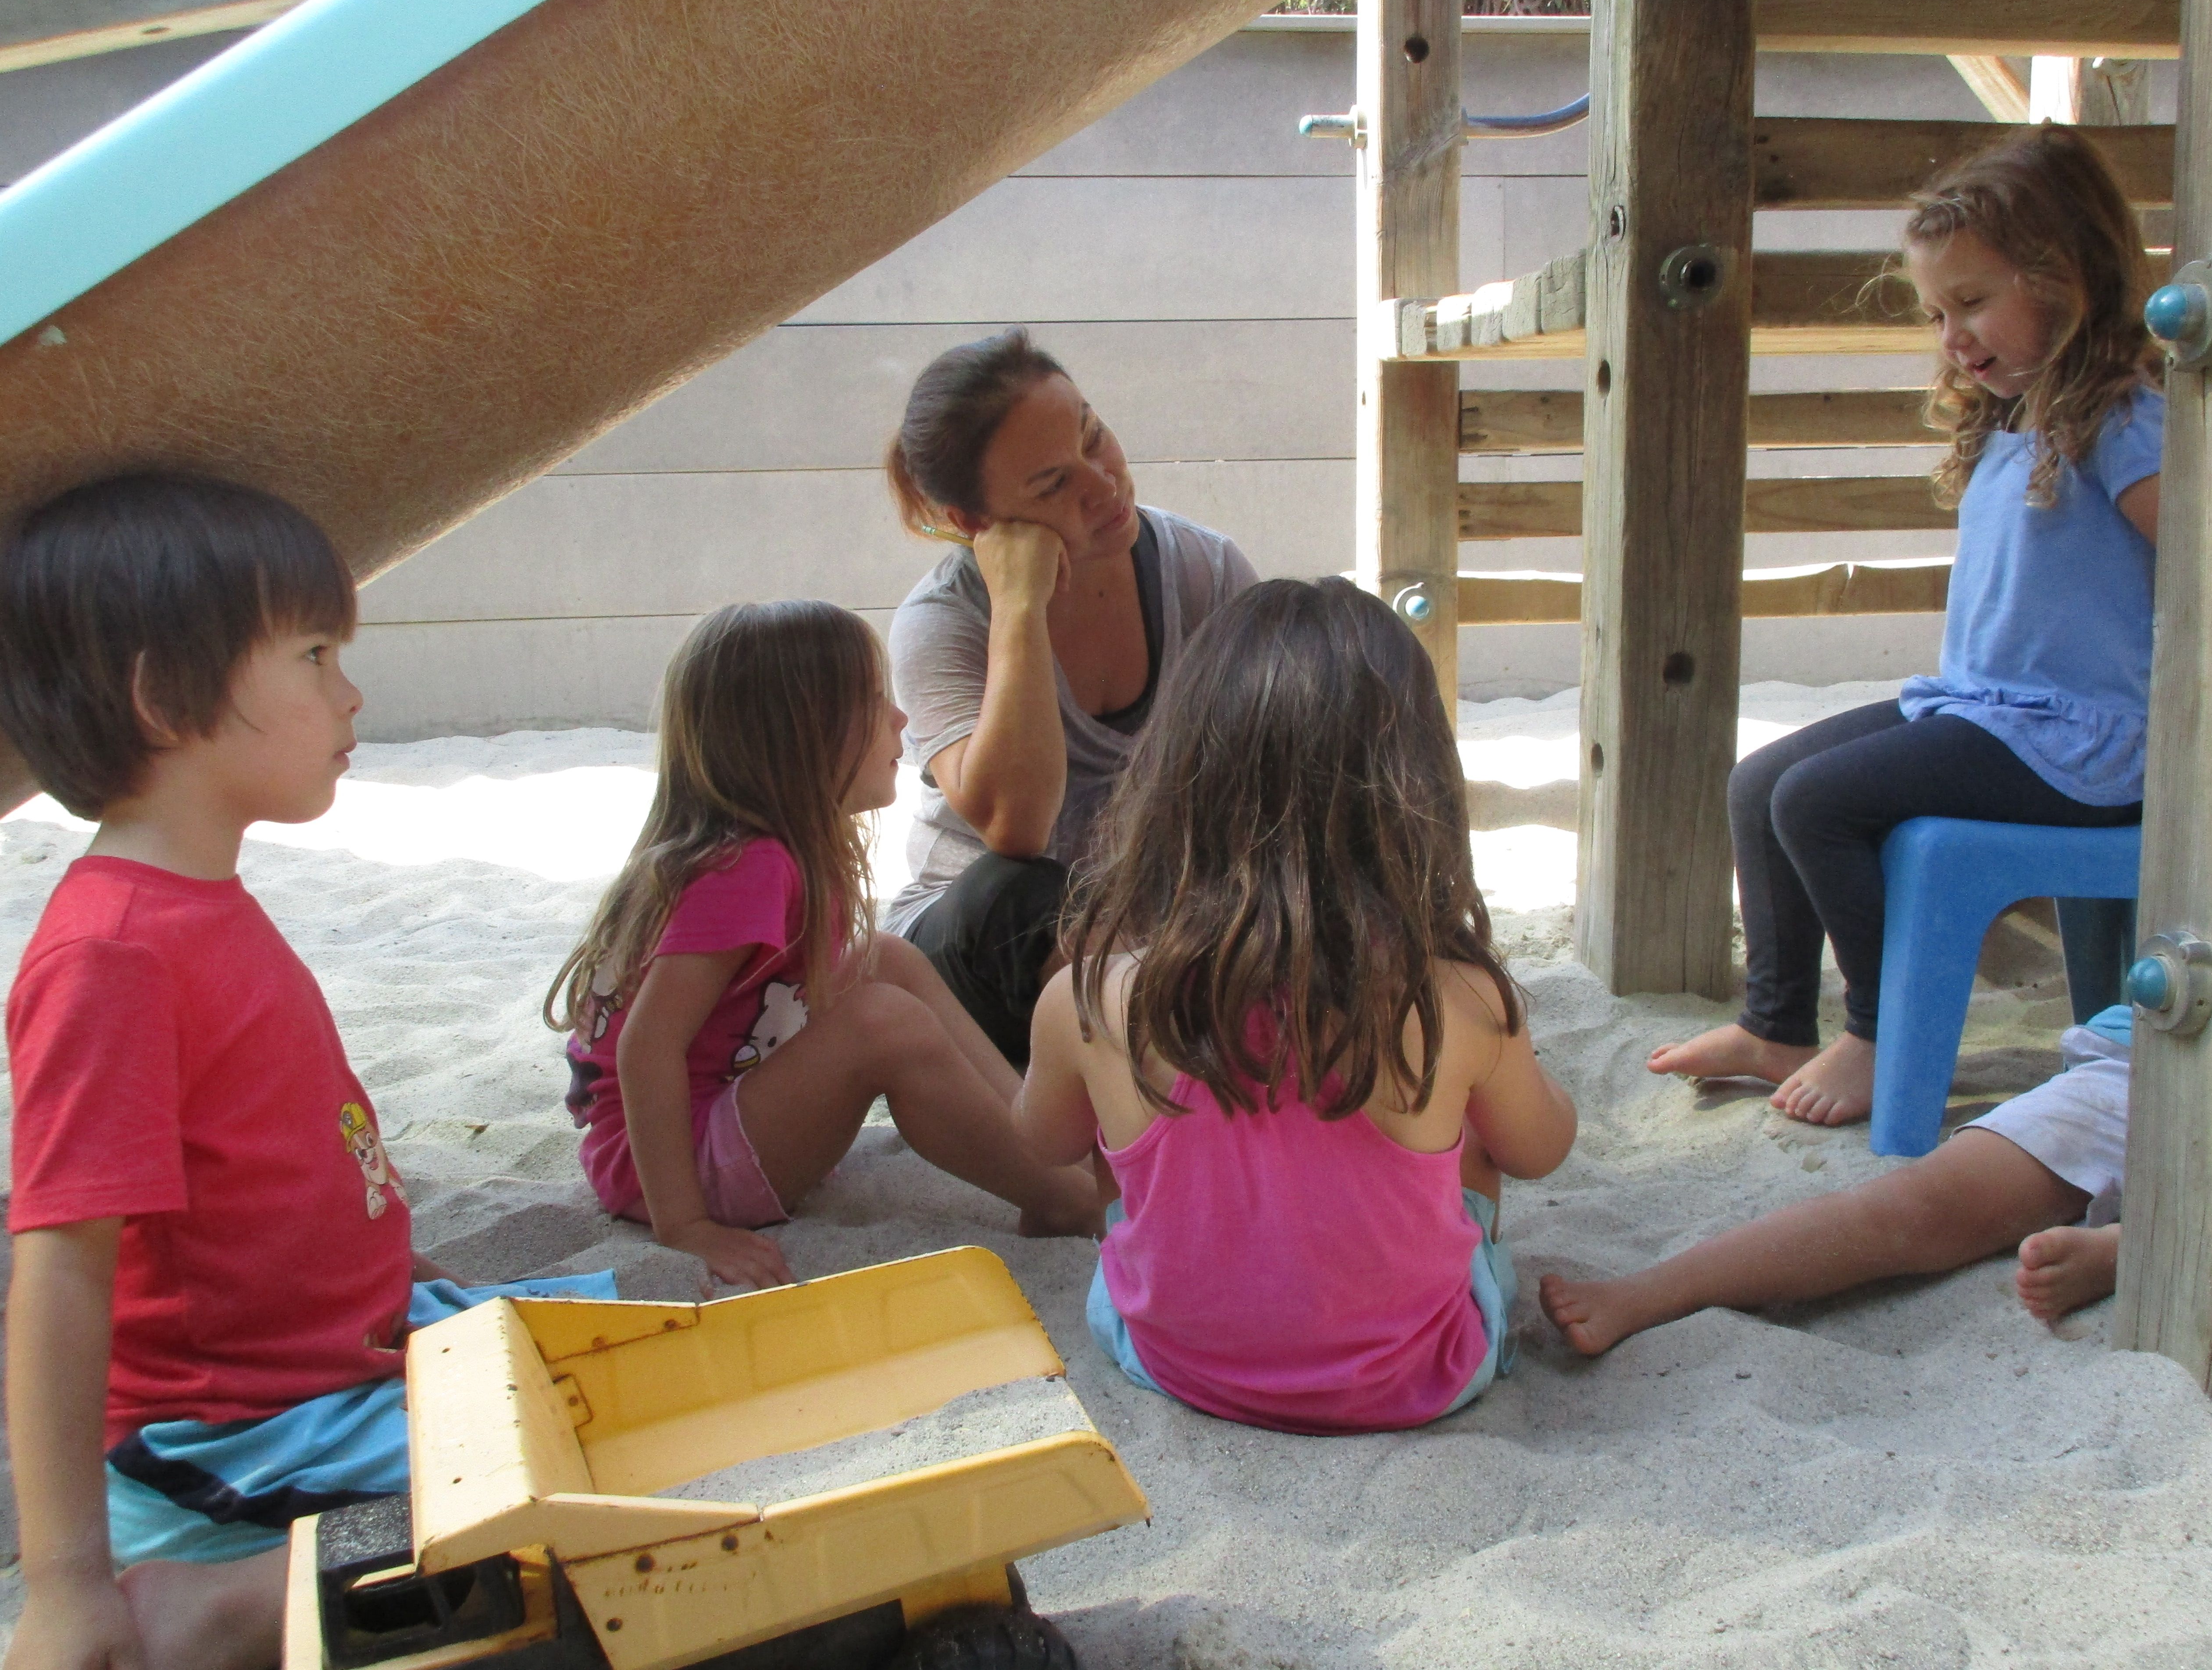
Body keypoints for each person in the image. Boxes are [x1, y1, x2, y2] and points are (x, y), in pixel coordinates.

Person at [0, 475, 608, 1670]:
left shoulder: (195, 898)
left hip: (341, 1353)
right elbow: (61, 1267)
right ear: (163, 697)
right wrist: (67, 1585)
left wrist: (397, 1273)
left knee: (626, 1372)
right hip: (240, 1430)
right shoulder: (111, 954)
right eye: (317, 656)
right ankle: (216, 1610)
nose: (351, 693)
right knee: (561, 1512)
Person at [1648, 124, 2164, 1128]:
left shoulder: (2122, 418)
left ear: (2068, 275)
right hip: (1986, 711)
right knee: (1758, 785)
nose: (1951, 337)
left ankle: (1880, 1034)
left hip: (2080, 743)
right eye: (1935, 314)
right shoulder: (2019, 415)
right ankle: (1775, 1022)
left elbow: (2204, 568)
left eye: (1971, 302)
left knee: (1818, 803)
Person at [1014, 579, 1578, 1434]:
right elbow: (1539, 1150)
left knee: (1114, 1135)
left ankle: (1201, 1296)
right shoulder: (1457, 997)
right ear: (1416, 790)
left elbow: (1040, 1141)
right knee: (1473, 1143)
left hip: (1173, 1362)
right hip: (1415, 1377)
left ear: (1176, 783)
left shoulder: (1092, 996)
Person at [547, 599, 1101, 1291]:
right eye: (872, 702)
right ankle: (1063, 1196)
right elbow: (647, 1046)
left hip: (704, 1125)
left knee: (885, 958)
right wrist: (686, 1227)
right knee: (881, 1024)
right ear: (798, 737)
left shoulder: (778, 853)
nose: (900, 718)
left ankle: (1040, 1138)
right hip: (669, 1170)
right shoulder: (746, 868)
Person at [880, 329, 1258, 1067]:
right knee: (1021, 894)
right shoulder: (942, 621)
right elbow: (1016, 828)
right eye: (1053, 485)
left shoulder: (1207, 572)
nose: (1103, 485)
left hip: (1155, 939)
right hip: (984, 964)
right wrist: (1019, 607)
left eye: (1094, 437)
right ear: (973, 523)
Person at [1541, 1006, 2133, 1355]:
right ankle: (1652, 1292)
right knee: (1910, 1208)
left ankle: (2128, 1251)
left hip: (2183, 1087)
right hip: (2136, 1062)